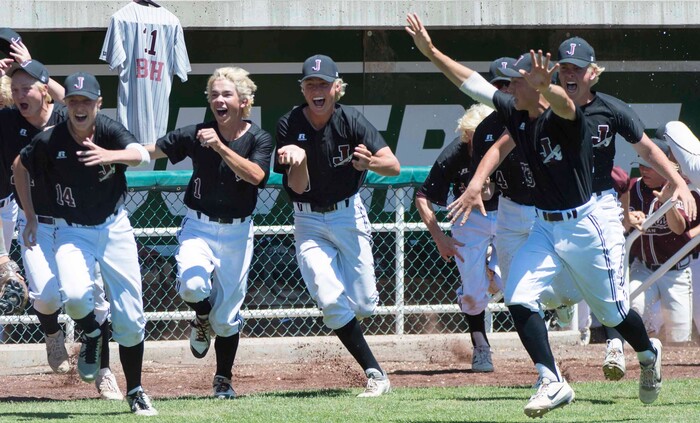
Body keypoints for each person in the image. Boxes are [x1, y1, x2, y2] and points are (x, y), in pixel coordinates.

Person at [406, 13, 662, 418]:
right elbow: (469, 82)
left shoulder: (567, 117)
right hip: (543, 226)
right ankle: (552, 379)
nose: (508, 88)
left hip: (585, 225)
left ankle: (648, 354)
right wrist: (432, 51)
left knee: (612, 311)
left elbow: (562, 103)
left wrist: (549, 88)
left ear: (537, 84)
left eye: (516, 80)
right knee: (519, 297)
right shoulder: (514, 111)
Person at [13, 72, 156, 415]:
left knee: (131, 318)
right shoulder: (52, 139)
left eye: (86, 101)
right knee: (76, 297)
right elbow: (20, 166)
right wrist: (30, 215)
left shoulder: (107, 129)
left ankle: (136, 390)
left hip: (114, 228)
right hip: (71, 230)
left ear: (98, 104)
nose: (80, 107)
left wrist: (113, 156)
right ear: (66, 104)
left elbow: (141, 153)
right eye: (74, 101)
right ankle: (92, 333)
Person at [555, 36, 696, 381]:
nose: (570, 74)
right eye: (564, 68)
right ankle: (562, 303)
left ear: (592, 73)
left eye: (578, 68)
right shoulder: (545, 110)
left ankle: (620, 347)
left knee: (613, 294)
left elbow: (647, 150)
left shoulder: (611, 109)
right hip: (555, 207)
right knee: (541, 288)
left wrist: (677, 183)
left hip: (599, 205)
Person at [0, 44, 122, 400]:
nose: (20, 95)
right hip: (34, 221)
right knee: (48, 296)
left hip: (77, 224)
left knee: (92, 301)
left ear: (45, 90)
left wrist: (36, 69)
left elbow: (76, 102)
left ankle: (103, 373)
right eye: (15, 88)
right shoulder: (8, 120)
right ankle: (53, 334)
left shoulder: (66, 120)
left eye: (28, 87)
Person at [274, 54, 400, 397]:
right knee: (329, 297)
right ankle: (375, 373)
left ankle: (349, 316)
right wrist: (297, 161)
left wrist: (370, 161)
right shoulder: (289, 124)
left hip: (348, 214)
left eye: (323, 84)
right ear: (302, 88)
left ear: (337, 87)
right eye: (310, 84)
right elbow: (298, 187)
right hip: (308, 218)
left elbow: (394, 165)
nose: (317, 89)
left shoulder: (351, 121)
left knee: (364, 305)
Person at [146, 66, 272, 399]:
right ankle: (202, 315)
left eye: (226, 94)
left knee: (228, 318)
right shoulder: (199, 132)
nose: (218, 100)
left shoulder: (258, 138)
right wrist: (111, 154)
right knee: (192, 284)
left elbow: (257, 175)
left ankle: (223, 380)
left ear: (243, 101)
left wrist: (219, 147)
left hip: (237, 232)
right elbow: (153, 149)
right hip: (199, 224)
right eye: (214, 94)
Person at [415, 102, 498, 373]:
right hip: (468, 216)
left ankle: (492, 274)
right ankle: (481, 347)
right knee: (474, 294)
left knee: (505, 281)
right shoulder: (456, 153)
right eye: (475, 139)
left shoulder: (511, 147)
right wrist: (440, 238)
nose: (482, 145)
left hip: (509, 213)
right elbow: (423, 196)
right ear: (467, 136)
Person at [628, 141, 698, 344]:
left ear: (665, 165)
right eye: (640, 165)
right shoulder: (634, 187)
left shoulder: (681, 188)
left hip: (675, 271)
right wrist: (630, 217)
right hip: (643, 268)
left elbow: (678, 228)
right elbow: (623, 220)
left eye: (649, 166)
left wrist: (668, 204)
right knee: (633, 308)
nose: (643, 169)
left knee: (679, 338)